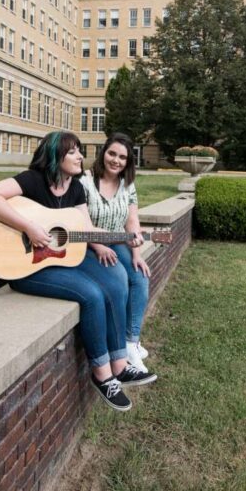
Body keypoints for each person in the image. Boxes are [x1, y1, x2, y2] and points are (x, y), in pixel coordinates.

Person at [0, 131, 156, 412]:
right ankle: (102, 375)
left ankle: (120, 364)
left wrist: (125, 237)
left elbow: (86, 230)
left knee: (114, 280)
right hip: (26, 267)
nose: (81, 157)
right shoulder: (32, 180)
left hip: (57, 259)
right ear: (56, 154)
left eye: (81, 151)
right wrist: (29, 227)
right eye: (73, 152)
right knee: (92, 295)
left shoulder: (75, 188)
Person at [80, 133, 152, 372]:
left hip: (117, 240)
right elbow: (80, 221)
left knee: (139, 275)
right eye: (112, 153)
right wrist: (98, 245)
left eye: (122, 157)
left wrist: (136, 254)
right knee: (118, 276)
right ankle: (119, 345)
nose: (116, 160)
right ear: (103, 153)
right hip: (89, 244)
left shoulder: (127, 185)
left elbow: (132, 221)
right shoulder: (85, 181)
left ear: (128, 162)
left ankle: (131, 342)